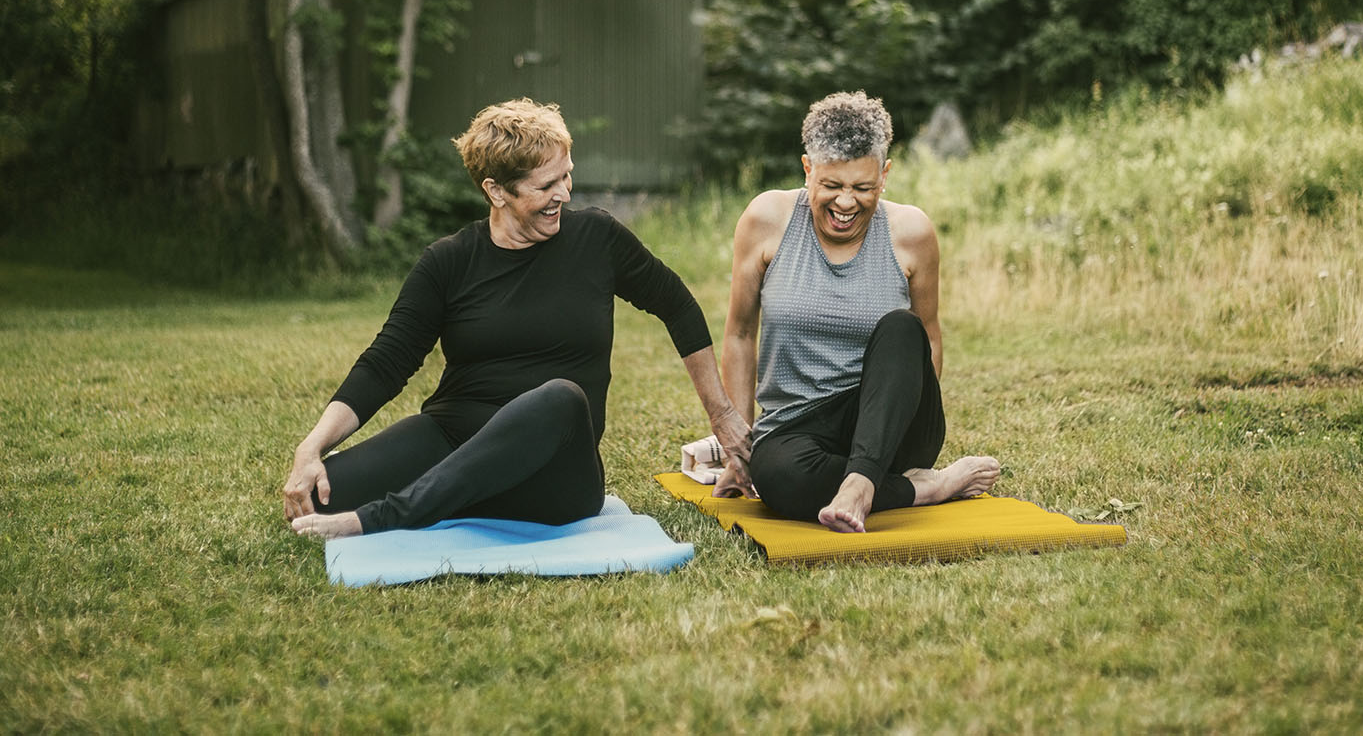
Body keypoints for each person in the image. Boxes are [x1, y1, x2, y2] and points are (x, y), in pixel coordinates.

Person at [284, 99, 754, 539]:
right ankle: (455, 495)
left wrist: (722, 414)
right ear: (495, 191)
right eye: (546, 186)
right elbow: (386, 362)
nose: (564, 195)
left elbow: (677, 305)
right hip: (455, 437)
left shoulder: (597, 238)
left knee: (560, 397)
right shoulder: (449, 262)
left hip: (555, 468)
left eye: (566, 177)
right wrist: (312, 448)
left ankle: (391, 515)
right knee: (321, 497)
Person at [714, 90, 999, 532]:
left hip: (887, 424)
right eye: (831, 186)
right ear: (808, 169)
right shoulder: (766, 220)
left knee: (904, 329)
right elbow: (739, 334)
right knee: (777, 479)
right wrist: (738, 447)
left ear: (884, 176)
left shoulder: (912, 232)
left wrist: (894, 428)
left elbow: (928, 343)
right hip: (798, 426)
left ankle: (864, 480)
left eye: (863, 188)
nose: (846, 203)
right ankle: (927, 489)